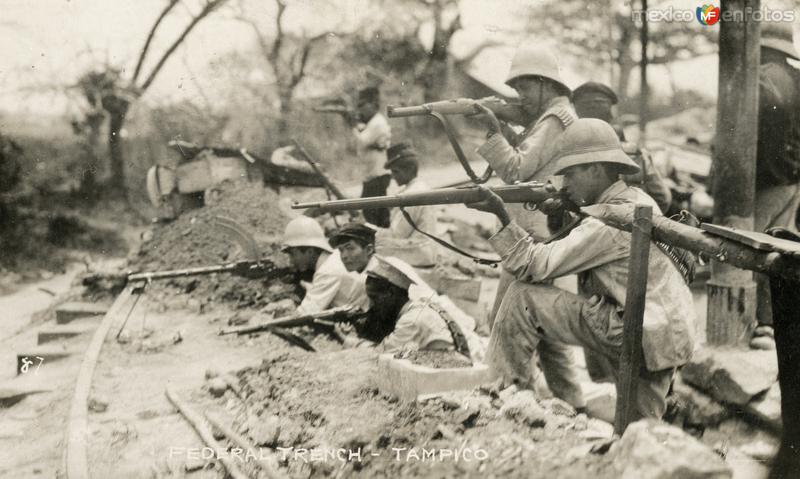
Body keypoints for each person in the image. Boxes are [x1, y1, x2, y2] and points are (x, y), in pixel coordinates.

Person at [468, 118, 696, 420]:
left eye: (571, 174)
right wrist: (570, 207)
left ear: (596, 170)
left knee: (522, 298)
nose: (565, 184)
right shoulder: (634, 199)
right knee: (637, 427)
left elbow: (533, 264)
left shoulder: (610, 220)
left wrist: (502, 215)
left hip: (638, 331)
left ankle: (504, 399)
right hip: (662, 333)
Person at [472, 44, 585, 410]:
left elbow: (518, 170)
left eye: (524, 87)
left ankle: (510, 394)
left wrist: (493, 133)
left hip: (534, 237)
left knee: (505, 317)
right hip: (540, 234)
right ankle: (573, 402)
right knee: (545, 330)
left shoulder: (555, 120)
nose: (519, 95)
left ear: (543, 84)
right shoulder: (553, 118)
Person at [752, 23, 800, 348]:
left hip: (765, 181)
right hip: (793, 180)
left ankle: (757, 324)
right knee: (780, 249)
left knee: (749, 247)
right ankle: (771, 324)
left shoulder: (758, 78)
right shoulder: (797, 80)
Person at [359, 255, 485, 362]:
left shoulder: (411, 321)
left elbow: (378, 357)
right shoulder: (420, 306)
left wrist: (344, 338)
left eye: (374, 299)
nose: (371, 306)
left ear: (391, 293)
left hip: (479, 363)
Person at [572, 81, 672, 214]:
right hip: (632, 228)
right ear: (610, 114)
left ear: (578, 113)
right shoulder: (635, 153)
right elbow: (662, 198)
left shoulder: (570, 155)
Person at [371, 143, 440, 267]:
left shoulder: (412, 194)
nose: (392, 176)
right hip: (423, 249)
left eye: (395, 171)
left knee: (369, 248)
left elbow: (397, 234)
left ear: (410, 170)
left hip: (419, 252)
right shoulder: (419, 187)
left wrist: (367, 229)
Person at [281, 216, 367, 314]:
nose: (291, 261)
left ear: (310, 251)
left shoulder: (328, 271)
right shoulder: (334, 258)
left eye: (293, 254)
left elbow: (304, 314)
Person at [352, 86, 393, 228]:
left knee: (370, 212)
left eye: (363, 105)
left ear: (373, 105)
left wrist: (352, 125)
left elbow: (362, 141)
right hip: (373, 174)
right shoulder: (371, 122)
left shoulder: (377, 122)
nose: (360, 110)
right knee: (380, 212)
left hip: (377, 174)